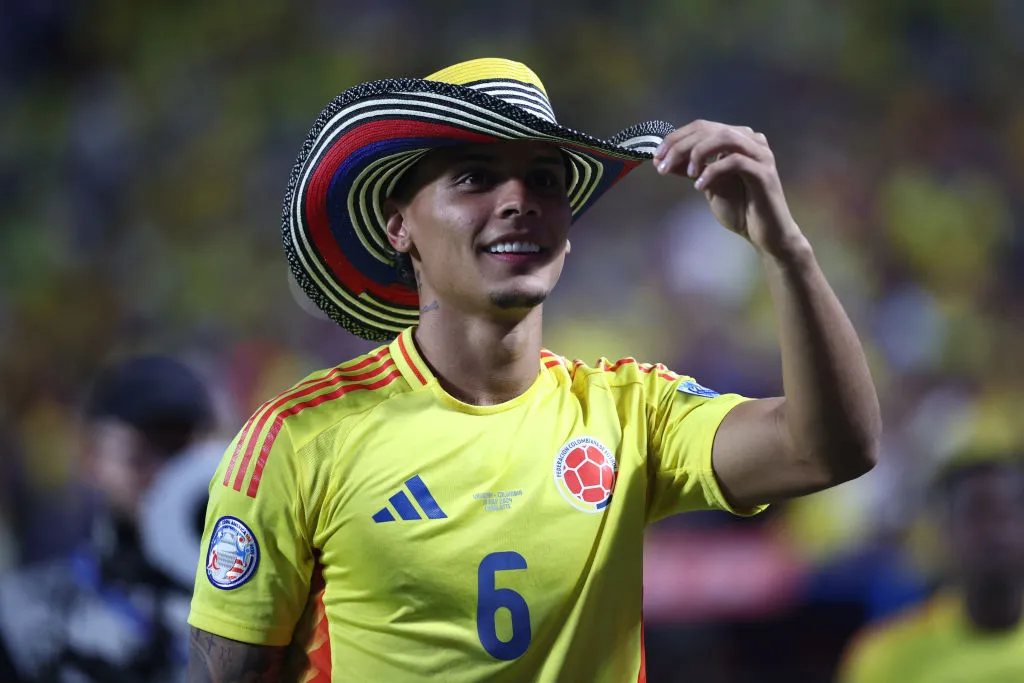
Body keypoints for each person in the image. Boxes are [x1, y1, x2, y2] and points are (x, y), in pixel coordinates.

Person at [187, 57, 881, 682]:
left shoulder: (631, 410)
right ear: (399, 225)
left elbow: (830, 448)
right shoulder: (299, 440)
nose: (518, 199)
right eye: (475, 178)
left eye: (544, 179)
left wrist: (784, 249)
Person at [0, 355, 217, 683]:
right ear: (92, 457)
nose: (170, 474)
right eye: (142, 453)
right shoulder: (30, 615)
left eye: (182, 450)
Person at [837, 452, 1024, 682]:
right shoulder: (887, 655)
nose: (997, 532)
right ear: (946, 532)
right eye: (977, 514)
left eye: (1009, 513)